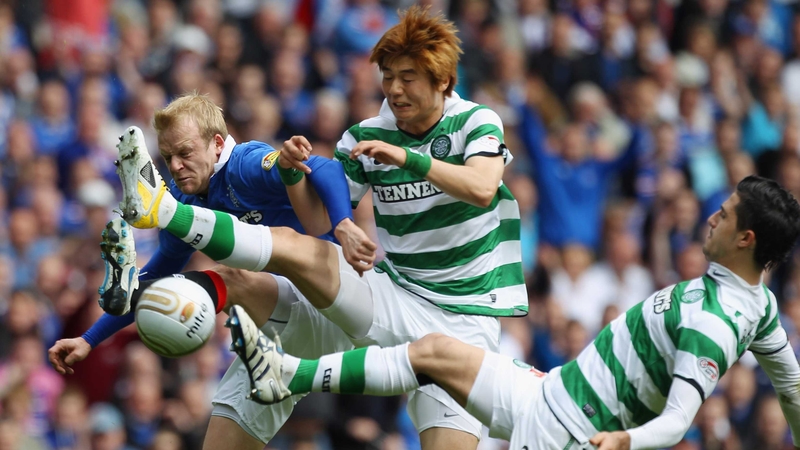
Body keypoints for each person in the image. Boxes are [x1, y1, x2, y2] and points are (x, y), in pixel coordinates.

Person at [114, 6, 527, 449]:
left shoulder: (475, 122)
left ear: (443, 81)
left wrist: (410, 158)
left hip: (467, 318)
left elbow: (483, 188)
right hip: (395, 295)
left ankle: (269, 356)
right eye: (388, 76)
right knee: (294, 249)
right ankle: (162, 213)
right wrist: (296, 175)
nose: (394, 89)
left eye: (408, 77)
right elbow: (314, 221)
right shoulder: (366, 134)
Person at [224, 175, 800, 450]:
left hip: (569, 435)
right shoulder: (762, 307)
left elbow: (679, 420)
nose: (710, 218)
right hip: (550, 392)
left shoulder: (714, 323)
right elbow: (795, 390)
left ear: (746, 238)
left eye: (723, 216)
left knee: (434, 356)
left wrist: (628, 442)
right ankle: (288, 375)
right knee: (433, 352)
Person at [48, 93, 362, 450]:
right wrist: (88, 339)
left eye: (185, 153)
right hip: (285, 334)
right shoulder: (195, 200)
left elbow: (325, 167)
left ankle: (162, 212)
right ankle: (165, 214)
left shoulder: (243, 164)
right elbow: (151, 280)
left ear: (216, 144)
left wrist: (345, 225)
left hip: (334, 294)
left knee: (232, 277)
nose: (176, 166)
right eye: (167, 158)